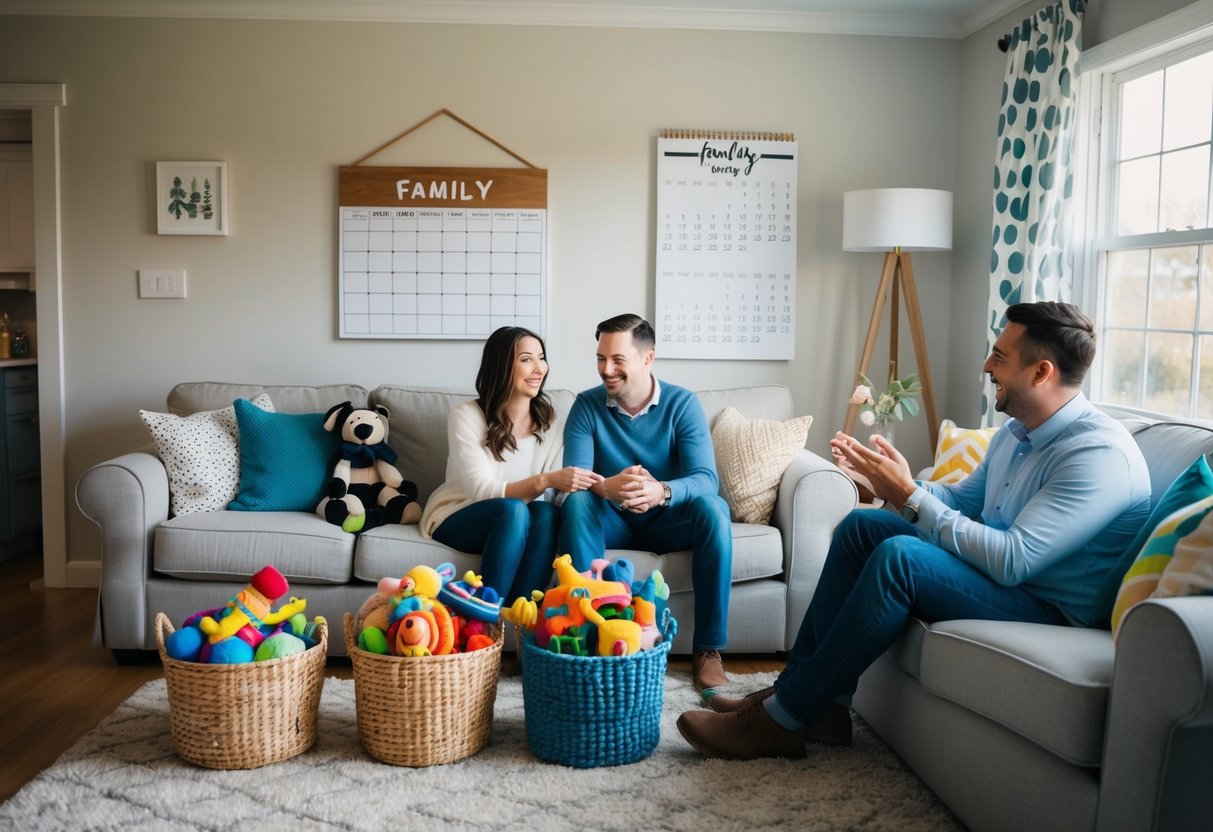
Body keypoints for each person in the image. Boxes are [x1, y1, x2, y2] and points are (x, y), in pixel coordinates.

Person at [676, 301, 1152, 759]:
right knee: (864, 525)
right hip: (1010, 583)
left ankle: (782, 721)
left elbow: (1013, 560)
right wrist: (898, 484)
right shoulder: (1016, 432)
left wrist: (911, 496)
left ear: (1041, 372)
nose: (987, 366)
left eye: (1000, 357)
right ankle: (817, 705)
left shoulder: (1096, 455)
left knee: (900, 558)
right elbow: (963, 503)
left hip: (1050, 608)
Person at [559, 313, 734, 690]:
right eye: (601, 358)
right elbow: (575, 477)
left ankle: (708, 650)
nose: (606, 369)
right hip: (612, 520)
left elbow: (706, 479)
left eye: (617, 360)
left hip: (668, 522)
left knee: (714, 509)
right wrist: (609, 487)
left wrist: (661, 491)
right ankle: (587, 638)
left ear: (647, 358)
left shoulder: (682, 404)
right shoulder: (586, 406)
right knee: (577, 503)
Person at [421, 326, 603, 602]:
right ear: (502, 365)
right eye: (527, 359)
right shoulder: (466, 416)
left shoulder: (553, 422)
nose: (539, 369)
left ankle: (520, 614)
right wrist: (545, 480)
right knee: (513, 509)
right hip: (459, 516)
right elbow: (481, 490)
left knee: (546, 514)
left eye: (541, 358)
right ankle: (487, 611)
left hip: (520, 521)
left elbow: (552, 498)